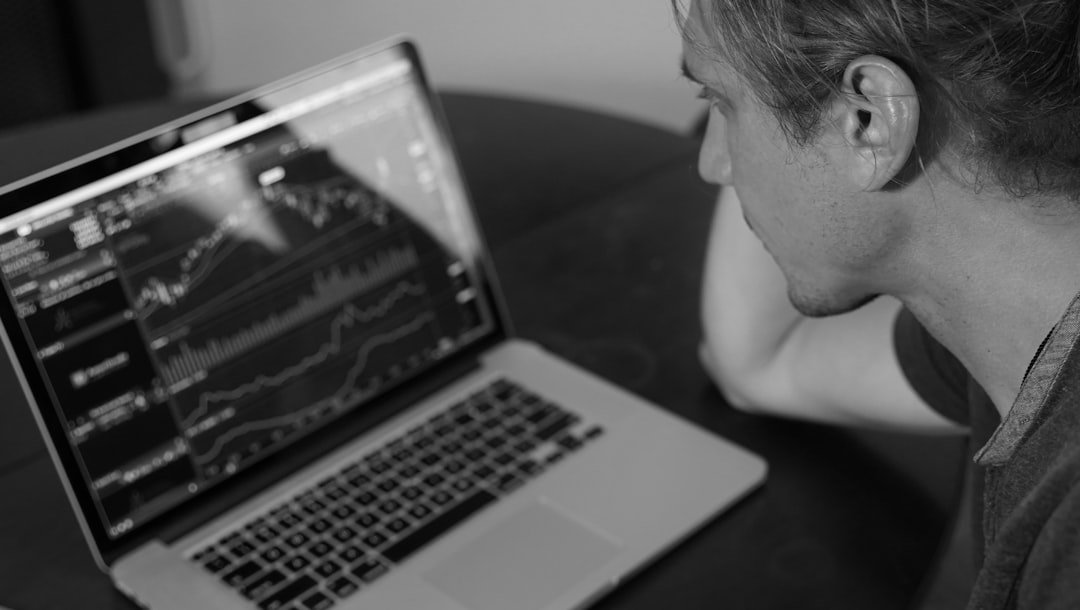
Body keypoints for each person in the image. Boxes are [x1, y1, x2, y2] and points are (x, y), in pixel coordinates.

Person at [678, 0, 1080, 607]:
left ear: (869, 120)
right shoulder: (1019, 323)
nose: (714, 165)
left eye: (721, 104)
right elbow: (763, 362)